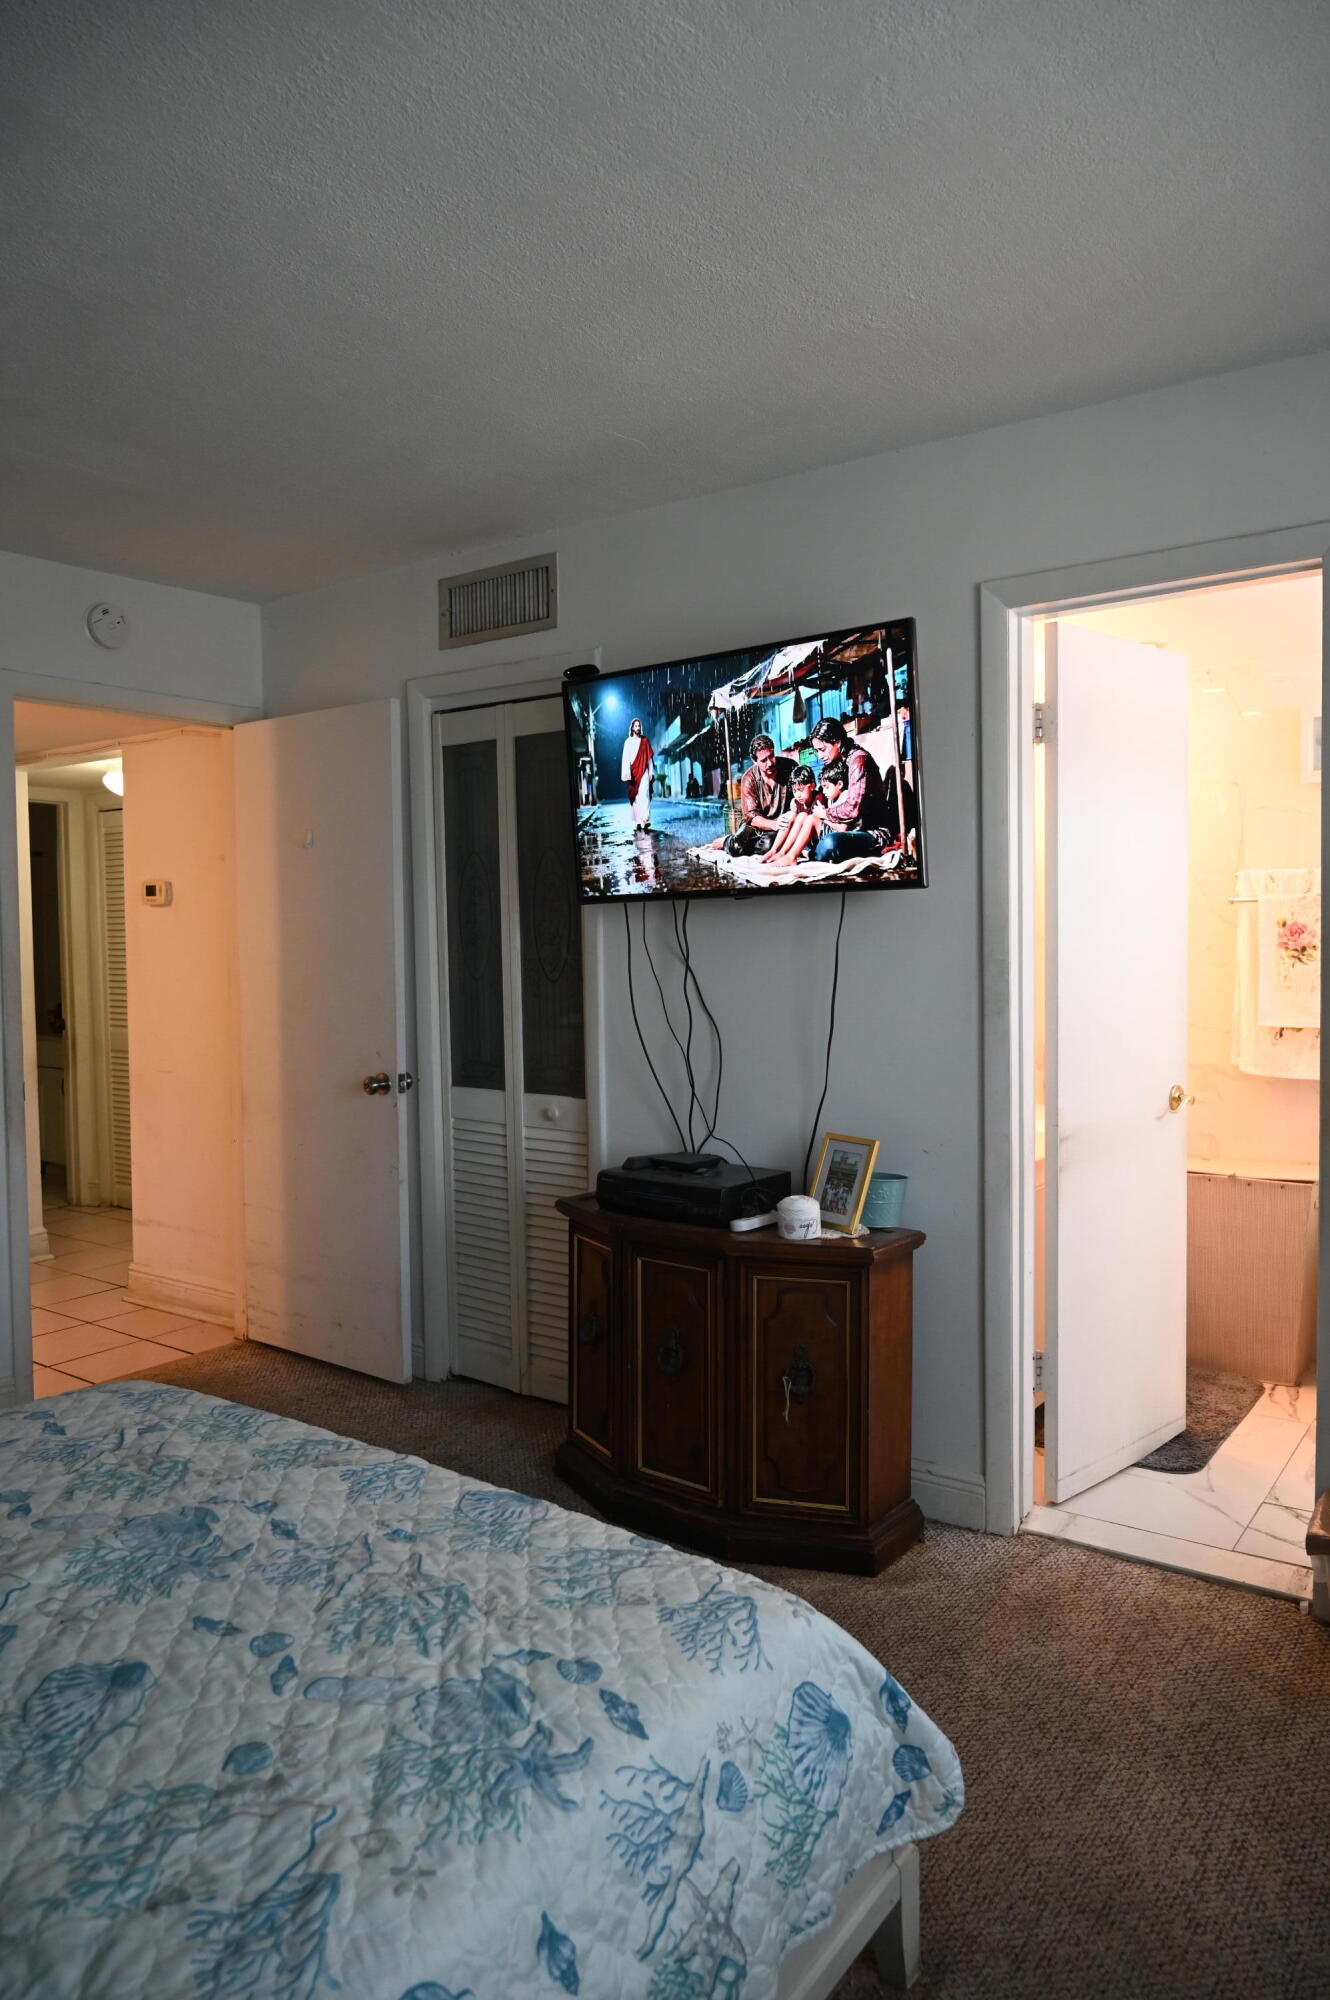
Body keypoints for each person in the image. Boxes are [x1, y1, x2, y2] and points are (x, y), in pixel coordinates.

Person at [808, 716, 914, 862]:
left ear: (837, 742)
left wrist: (825, 813)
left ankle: (816, 853)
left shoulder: (858, 760)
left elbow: (852, 808)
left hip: (872, 833)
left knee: (829, 843)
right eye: (817, 751)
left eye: (822, 749)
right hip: (851, 829)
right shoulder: (840, 760)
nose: (820, 756)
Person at [712, 732, 798, 856]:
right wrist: (774, 824)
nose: (770, 763)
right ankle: (728, 840)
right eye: (763, 760)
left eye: (771, 756)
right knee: (736, 847)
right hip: (757, 824)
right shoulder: (748, 779)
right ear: (755, 762)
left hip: (783, 823)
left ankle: (758, 843)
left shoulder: (790, 767)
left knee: (768, 845)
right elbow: (752, 817)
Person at [758, 763, 825, 866]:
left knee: (802, 816)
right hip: (803, 842)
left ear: (812, 786)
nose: (798, 795)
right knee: (790, 815)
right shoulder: (795, 802)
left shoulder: (819, 798)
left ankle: (789, 856)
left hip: (816, 838)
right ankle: (776, 851)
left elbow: (813, 822)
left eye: (801, 790)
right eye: (794, 791)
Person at [620, 718, 654, 830]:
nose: (638, 728)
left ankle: (646, 819)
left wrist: (651, 771)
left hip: (644, 771)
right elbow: (626, 758)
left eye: (639, 726)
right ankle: (638, 821)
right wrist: (627, 772)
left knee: (645, 794)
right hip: (633, 772)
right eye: (636, 726)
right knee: (636, 796)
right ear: (632, 728)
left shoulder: (645, 741)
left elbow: (649, 758)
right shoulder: (628, 742)